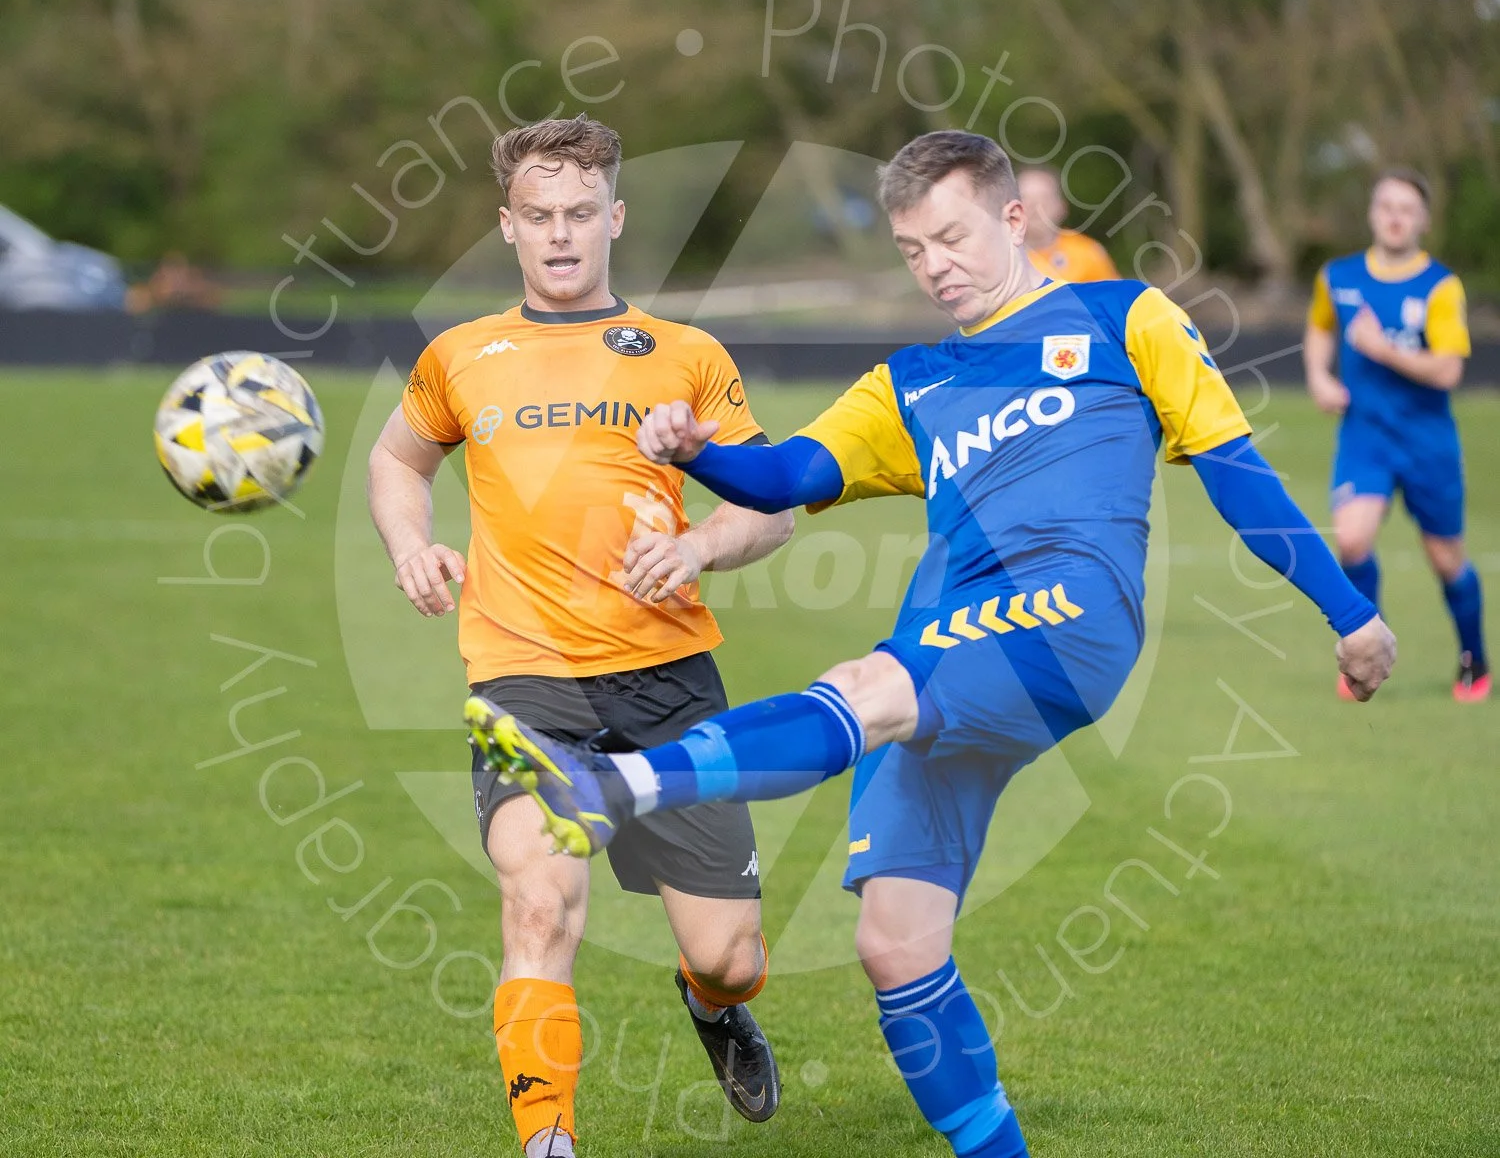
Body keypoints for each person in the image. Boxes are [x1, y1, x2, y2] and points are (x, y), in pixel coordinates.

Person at [464, 130, 1397, 1158]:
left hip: (1070, 616)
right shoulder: (910, 382)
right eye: (912, 249)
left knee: (866, 684)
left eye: (950, 236)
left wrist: (1350, 614)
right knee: (896, 945)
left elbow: (1236, 472)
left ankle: (610, 790)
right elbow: (787, 479)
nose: (934, 264)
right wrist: (700, 451)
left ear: (1011, 218)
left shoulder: (1121, 318)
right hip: (949, 643)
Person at [367, 114, 793, 1158]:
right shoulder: (461, 357)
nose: (560, 235)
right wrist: (410, 547)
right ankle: (546, 1138)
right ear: (505, 226)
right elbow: (396, 463)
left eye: (579, 215)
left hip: (670, 687)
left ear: (616, 217)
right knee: (540, 907)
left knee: (731, 955)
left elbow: (771, 505)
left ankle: (710, 1002)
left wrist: (700, 549)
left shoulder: (685, 357)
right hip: (526, 685)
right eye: (538, 217)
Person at [1304, 168, 1487, 701]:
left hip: (1427, 442)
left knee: (1445, 558)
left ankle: (1473, 658)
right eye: (1386, 205)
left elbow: (1449, 370)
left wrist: (1382, 349)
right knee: (1353, 539)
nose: (1394, 216)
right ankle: (1367, 656)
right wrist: (1318, 376)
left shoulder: (1439, 287)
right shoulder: (1336, 277)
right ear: (1371, 212)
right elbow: (1319, 328)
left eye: (1407, 208)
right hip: (1365, 438)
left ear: (1423, 221)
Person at [1017, 165, 1120, 282]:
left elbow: (1114, 297)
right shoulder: (999, 256)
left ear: (1061, 207)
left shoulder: (1087, 254)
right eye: (1025, 198)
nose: (1035, 207)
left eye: (1044, 198)